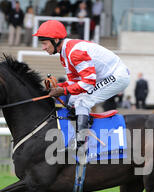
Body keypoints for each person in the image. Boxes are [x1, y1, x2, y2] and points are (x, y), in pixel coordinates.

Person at [34, 20, 130, 150]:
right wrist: (59, 87)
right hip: (103, 76)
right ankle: (82, 128)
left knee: (82, 102)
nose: (43, 47)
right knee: (73, 100)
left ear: (56, 40)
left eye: (44, 43)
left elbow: (87, 83)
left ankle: (80, 141)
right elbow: (74, 82)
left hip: (117, 76)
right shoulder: (64, 54)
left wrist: (63, 90)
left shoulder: (74, 53)